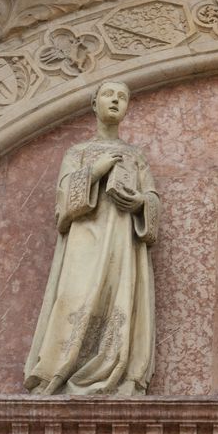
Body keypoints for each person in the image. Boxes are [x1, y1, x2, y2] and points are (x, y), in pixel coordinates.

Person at [24, 81, 161, 395]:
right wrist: (95, 173)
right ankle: (60, 368)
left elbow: (152, 198)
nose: (115, 101)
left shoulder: (135, 156)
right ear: (94, 103)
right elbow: (63, 203)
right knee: (76, 295)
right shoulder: (78, 153)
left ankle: (112, 369)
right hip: (85, 240)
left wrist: (140, 203)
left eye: (122, 97)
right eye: (108, 95)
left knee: (119, 297)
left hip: (123, 241)